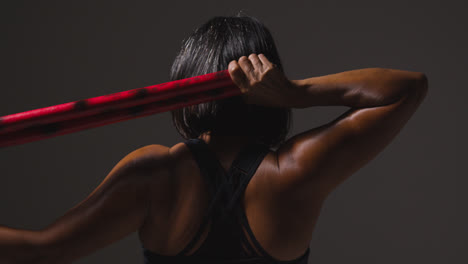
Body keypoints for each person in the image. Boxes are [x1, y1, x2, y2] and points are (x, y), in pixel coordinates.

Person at [0, 14, 428, 264]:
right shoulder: (294, 173)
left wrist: (292, 89)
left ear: (186, 80)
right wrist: (295, 93)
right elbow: (406, 89)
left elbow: (41, 250)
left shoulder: (156, 175)